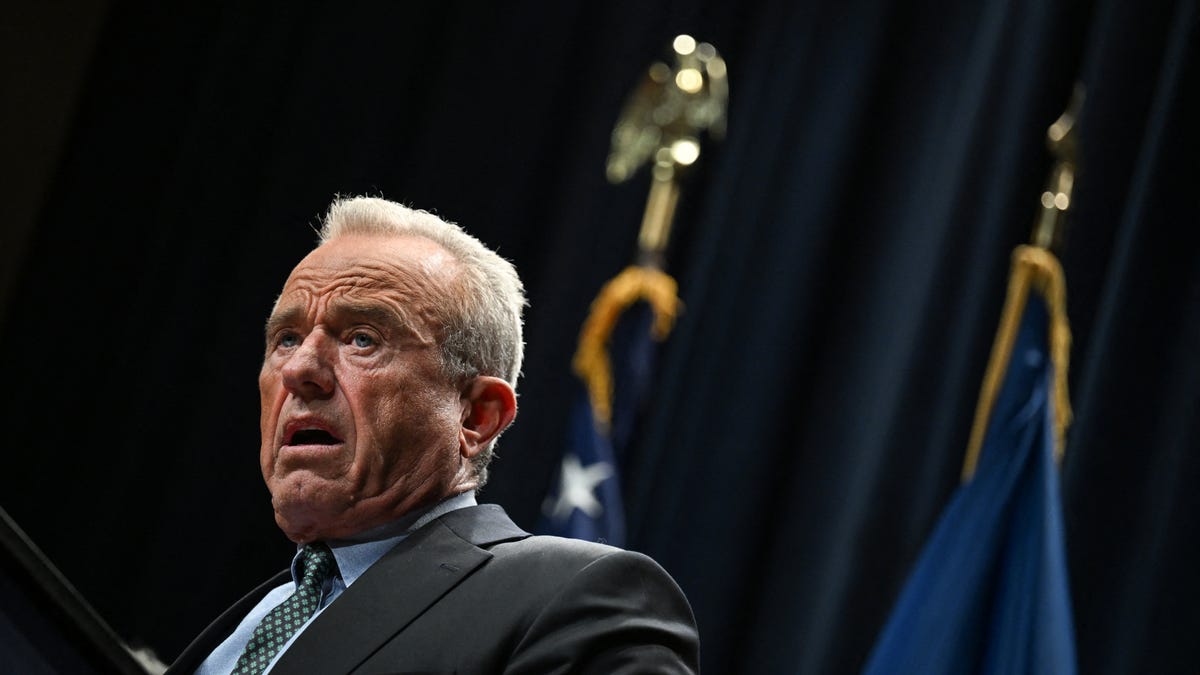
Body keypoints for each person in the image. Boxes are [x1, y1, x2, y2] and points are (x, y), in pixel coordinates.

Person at [167, 196, 700, 674]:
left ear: (476, 417)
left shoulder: (577, 600)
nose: (299, 369)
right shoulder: (257, 617)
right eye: (286, 338)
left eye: (362, 338)